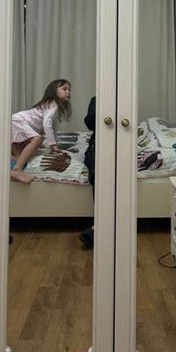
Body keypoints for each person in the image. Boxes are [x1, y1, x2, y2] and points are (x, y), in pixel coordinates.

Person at [10, 79, 72, 184]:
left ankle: (15, 162)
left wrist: (54, 144)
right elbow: (47, 124)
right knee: (37, 139)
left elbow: (52, 127)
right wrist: (53, 145)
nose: (68, 92)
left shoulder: (51, 105)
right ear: (54, 91)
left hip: (15, 120)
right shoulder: (53, 104)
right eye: (64, 89)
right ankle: (16, 170)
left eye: (69, 90)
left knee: (25, 152)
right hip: (19, 120)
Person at [79, 96, 95, 248]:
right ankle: (100, 224)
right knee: (99, 171)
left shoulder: (126, 98)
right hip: (97, 144)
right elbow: (90, 124)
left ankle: (98, 226)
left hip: (122, 144)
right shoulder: (96, 99)